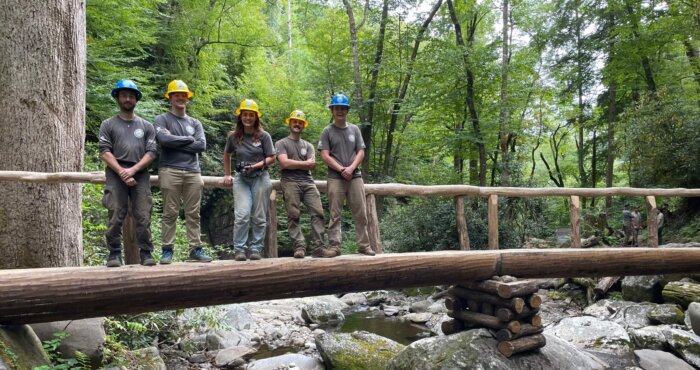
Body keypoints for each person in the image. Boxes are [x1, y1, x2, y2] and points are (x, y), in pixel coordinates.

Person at [98, 79, 157, 267]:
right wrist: (122, 171)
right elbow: (105, 151)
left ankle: (146, 253)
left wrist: (132, 170)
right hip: (116, 173)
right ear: (118, 98)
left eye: (131, 96)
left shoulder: (147, 126)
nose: (128, 98)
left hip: (140, 173)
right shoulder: (108, 124)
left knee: (143, 214)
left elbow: (152, 152)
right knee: (115, 212)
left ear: (136, 99)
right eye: (124, 95)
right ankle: (114, 253)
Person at [154, 80, 212, 264]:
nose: (180, 98)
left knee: (193, 213)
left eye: (183, 95)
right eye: (176, 95)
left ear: (188, 99)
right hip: (169, 170)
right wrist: (188, 140)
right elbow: (163, 139)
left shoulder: (195, 122)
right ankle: (167, 250)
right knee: (170, 212)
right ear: (170, 98)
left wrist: (175, 140)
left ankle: (195, 249)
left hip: (193, 172)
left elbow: (201, 145)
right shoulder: (162, 119)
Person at [318, 93, 375, 256]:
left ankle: (364, 245)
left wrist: (351, 168)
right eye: (337, 108)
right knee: (335, 214)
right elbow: (325, 155)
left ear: (347, 110)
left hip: (355, 176)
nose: (340, 111)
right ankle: (335, 247)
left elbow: (361, 152)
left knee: (361, 212)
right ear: (332, 110)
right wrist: (342, 169)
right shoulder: (327, 131)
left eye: (343, 108)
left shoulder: (355, 129)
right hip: (335, 177)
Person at [275, 110, 337, 258]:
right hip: (290, 182)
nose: (297, 124)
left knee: (318, 213)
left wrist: (292, 163)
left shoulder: (308, 145)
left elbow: (312, 165)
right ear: (289, 123)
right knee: (293, 214)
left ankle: (318, 248)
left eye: (300, 122)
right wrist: (303, 163)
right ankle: (299, 247)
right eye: (294, 121)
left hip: (308, 182)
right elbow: (283, 163)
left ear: (303, 125)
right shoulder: (281, 143)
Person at [223, 99, 275, 261]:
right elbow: (227, 154)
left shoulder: (264, 136)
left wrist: (255, 166)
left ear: (256, 117)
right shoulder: (234, 136)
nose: (248, 118)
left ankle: (256, 249)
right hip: (241, 179)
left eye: (251, 115)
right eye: (245, 115)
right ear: (240, 117)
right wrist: (227, 174)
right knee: (242, 214)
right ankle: (239, 249)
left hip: (260, 177)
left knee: (259, 216)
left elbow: (272, 157)